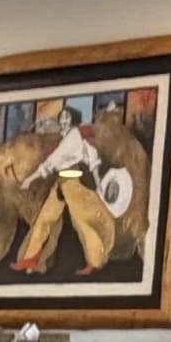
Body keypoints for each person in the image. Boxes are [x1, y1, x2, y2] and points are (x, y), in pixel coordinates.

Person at [8, 117, 132, 274]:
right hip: (61, 182)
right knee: (44, 219)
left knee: (82, 222)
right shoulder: (64, 140)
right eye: (62, 118)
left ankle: (94, 261)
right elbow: (51, 165)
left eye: (67, 117)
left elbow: (90, 161)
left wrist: (99, 183)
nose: (63, 120)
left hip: (73, 182)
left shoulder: (74, 137)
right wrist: (29, 180)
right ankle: (30, 259)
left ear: (72, 121)